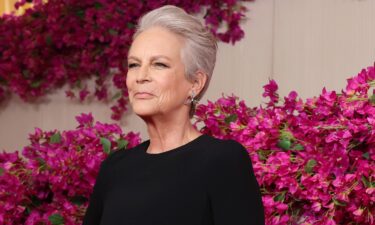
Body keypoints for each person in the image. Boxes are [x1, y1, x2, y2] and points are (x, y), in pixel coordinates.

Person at [82, 5, 264, 225]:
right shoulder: (114, 168)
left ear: (195, 83)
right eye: (134, 64)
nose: (141, 76)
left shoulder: (223, 161)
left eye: (159, 64)